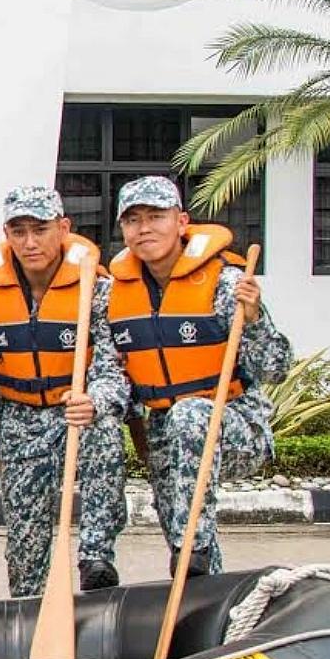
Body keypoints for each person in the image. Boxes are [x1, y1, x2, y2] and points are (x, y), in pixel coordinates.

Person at [107, 176, 292, 577]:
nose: (144, 228)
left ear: (181, 221)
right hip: (165, 434)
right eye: (133, 220)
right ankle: (205, 600)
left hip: (235, 426)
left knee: (191, 418)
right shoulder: (115, 294)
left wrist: (255, 318)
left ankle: (196, 545)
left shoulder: (227, 285)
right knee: (181, 538)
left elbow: (276, 368)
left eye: (156, 217)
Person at [0, 186, 130, 596]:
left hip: (76, 411)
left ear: (62, 228)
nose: (29, 242)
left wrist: (96, 399)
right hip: (21, 417)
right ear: (6, 233)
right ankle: (29, 611)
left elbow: (114, 367)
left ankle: (96, 557)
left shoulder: (96, 290)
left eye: (40, 229)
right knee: (25, 548)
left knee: (105, 430)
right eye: (18, 231)